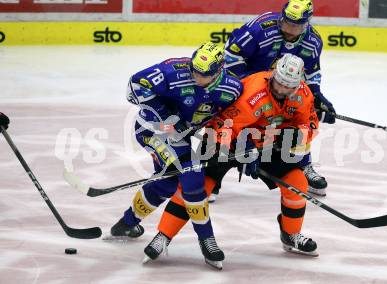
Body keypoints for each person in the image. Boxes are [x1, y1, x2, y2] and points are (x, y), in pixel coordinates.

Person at [144, 54, 320, 263]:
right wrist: (244, 148)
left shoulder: (303, 95)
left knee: (297, 182)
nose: (282, 90)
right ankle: (163, 235)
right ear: (273, 75)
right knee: (197, 188)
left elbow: (309, 124)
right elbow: (221, 126)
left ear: (298, 85)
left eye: (288, 87)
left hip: (265, 142)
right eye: (279, 83)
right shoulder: (254, 93)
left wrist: (288, 139)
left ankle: (290, 235)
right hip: (223, 139)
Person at [110, 42, 243, 269]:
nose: (195, 76)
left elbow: (231, 118)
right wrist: (168, 117)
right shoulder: (173, 71)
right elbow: (134, 86)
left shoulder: (232, 88)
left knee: (167, 184)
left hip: (181, 137)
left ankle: (126, 223)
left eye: (203, 74)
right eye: (194, 69)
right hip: (153, 131)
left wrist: (238, 144)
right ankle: (206, 239)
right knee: (193, 179)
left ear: (218, 71)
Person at [210, 0, 335, 199]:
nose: (290, 29)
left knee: (299, 119)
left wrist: (317, 96)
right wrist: (250, 86)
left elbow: (311, 73)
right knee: (230, 121)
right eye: (287, 23)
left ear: (307, 23)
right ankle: (213, 175)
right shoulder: (259, 28)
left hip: (282, 87)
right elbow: (230, 56)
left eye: (297, 25)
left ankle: (303, 165)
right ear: (282, 16)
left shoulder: (313, 41)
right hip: (248, 83)